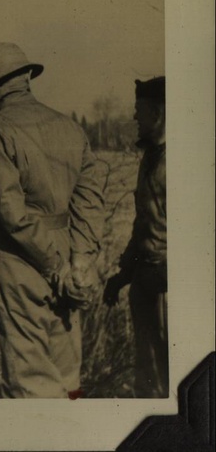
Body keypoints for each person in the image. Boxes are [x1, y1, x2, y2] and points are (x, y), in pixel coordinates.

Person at [0, 42, 105, 398]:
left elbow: (11, 213)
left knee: (28, 373)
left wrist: (54, 266)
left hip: (22, 260)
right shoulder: (69, 127)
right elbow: (90, 200)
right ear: (28, 76)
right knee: (67, 369)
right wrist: (79, 262)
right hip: (67, 251)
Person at [103, 77, 168, 398]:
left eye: (139, 111)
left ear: (158, 112)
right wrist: (123, 275)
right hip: (146, 281)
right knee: (149, 373)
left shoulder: (179, 163)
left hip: (167, 285)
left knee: (176, 374)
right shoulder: (150, 158)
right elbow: (144, 224)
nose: (134, 118)